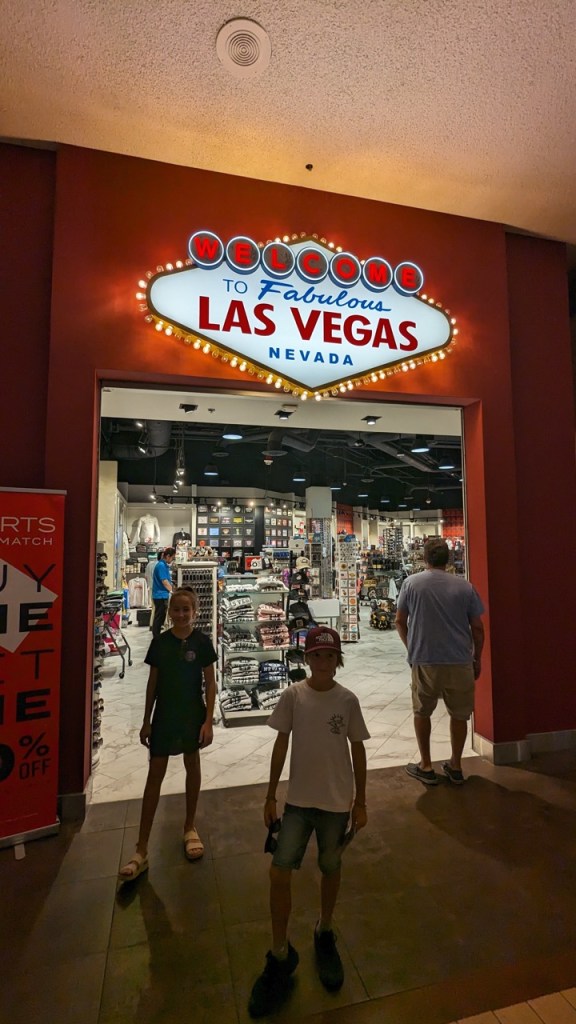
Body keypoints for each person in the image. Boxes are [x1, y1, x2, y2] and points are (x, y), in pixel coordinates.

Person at [248, 626, 369, 1019]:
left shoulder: (347, 700)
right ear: (307, 658)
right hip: (298, 802)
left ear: (338, 659)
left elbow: (358, 749)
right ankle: (279, 951)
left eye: (329, 656)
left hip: (336, 802)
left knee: (331, 865)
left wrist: (361, 801)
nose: (323, 662)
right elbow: (281, 743)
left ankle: (325, 929)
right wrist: (270, 794)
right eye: (316, 655)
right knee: (279, 870)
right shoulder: (293, 696)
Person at [118, 586, 217, 880]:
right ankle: (141, 848)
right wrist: (145, 720)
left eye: (186, 610)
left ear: (195, 612)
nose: (181, 614)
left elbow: (210, 683)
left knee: (192, 765)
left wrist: (208, 721)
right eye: (177, 609)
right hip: (164, 715)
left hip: (192, 714)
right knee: (155, 775)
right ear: (169, 611)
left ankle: (190, 827)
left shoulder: (202, 642)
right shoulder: (160, 643)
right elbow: (152, 683)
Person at [395, 537, 485, 786]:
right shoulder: (465, 587)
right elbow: (478, 628)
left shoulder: (411, 584)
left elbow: (400, 620)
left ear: (425, 558)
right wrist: (477, 657)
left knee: (422, 711)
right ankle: (456, 765)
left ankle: (426, 765)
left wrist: (411, 647)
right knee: (460, 714)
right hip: (459, 659)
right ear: (449, 559)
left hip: (425, 659)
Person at [151, 546, 175, 637]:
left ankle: (157, 635)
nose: (172, 560)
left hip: (161, 595)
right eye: (172, 558)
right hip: (160, 596)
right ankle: (156, 636)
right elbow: (164, 581)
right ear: (168, 556)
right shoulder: (161, 566)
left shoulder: (163, 565)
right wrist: (172, 591)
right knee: (159, 618)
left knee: (160, 617)